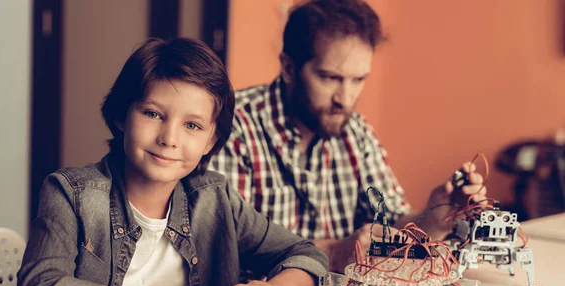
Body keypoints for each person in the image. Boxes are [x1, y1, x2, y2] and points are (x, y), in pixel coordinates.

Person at [17, 37, 328, 286]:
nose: (169, 139)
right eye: (153, 114)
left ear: (211, 141)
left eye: (192, 125)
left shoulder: (214, 199)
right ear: (123, 115)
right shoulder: (71, 194)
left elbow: (305, 254)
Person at [209, 0, 487, 272]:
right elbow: (225, 253)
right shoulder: (233, 128)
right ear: (289, 68)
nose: (346, 99)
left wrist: (435, 219)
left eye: (358, 80)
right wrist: (332, 253)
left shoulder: (354, 130)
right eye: (330, 78)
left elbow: (390, 223)